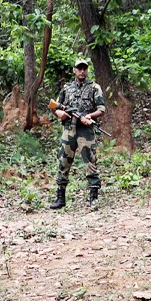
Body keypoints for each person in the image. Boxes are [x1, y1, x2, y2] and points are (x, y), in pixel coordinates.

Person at [49, 58, 106, 211]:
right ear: (74, 70)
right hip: (68, 130)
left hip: (85, 131)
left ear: (87, 70)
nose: (82, 71)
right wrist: (59, 112)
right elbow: (54, 105)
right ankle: (60, 198)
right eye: (79, 68)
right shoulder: (67, 88)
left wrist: (89, 117)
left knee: (90, 163)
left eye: (84, 68)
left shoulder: (94, 87)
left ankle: (93, 198)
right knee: (63, 163)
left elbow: (101, 109)